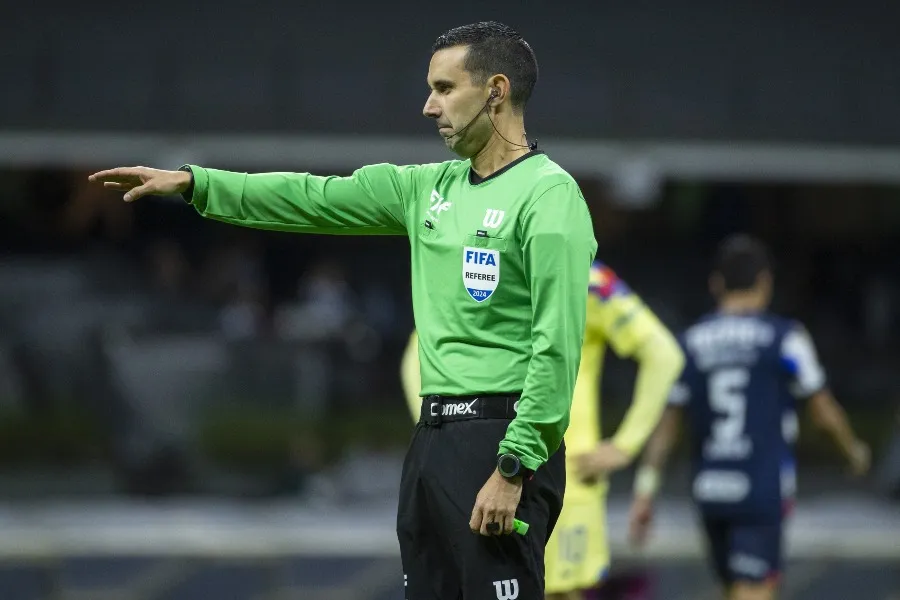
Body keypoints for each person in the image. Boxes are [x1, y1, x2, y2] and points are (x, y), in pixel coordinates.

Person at [89, 21, 597, 600]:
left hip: (499, 442)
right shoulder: (424, 189)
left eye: (444, 87)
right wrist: (196, 183)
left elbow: (556, 347)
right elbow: (312, 197)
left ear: (496, 91)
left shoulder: (549, 196)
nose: (429, 106)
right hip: (432, 441)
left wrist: (513, 468)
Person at [401, 260, 684, 600]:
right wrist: (626, 444)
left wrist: (443, 435)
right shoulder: (585, 277)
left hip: (474, 471)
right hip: (563, 471)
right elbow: (664, 353)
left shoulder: (476, 269)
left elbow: (416, 355)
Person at [627, 235, 871, 600]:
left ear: (716, 284)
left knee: (734, 588)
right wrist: (852, 450)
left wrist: (645, 490)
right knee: (754, 590)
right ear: (765, 282)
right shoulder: (785, 339)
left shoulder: (691, 342)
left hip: (710, 489)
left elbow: (668, 423)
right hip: (759, 489)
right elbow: (823, 412)